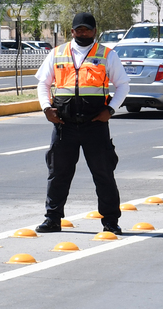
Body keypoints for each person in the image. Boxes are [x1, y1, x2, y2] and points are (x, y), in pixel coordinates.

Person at [35, 13, 130, 235]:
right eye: (79, 29)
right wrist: (46, 108)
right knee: (58, 173)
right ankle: (52, 218)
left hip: (94, 124)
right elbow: (43, 83)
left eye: (87, 29)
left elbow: (123, 85)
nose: (83, 33)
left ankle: (110, 221)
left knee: (103, 173)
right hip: (64, 125)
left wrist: (110, 109)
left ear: (95, 31)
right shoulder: (57, 53)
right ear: (72, 31)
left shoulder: (107, 54)